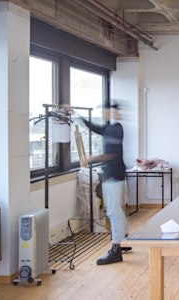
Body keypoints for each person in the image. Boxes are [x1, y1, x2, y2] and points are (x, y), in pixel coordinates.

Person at [66, 102, 129, 265]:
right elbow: (92, 127)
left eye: (106, 111)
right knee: (116, 211)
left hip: (114, 174)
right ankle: (123, 241)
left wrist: (93, 158)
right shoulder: (109, 128)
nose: (103, 114)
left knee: (113, 212)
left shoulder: (116, 128)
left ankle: (116, 249)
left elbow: (112, 155)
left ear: (112, 112)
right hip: (113, 174)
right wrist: (75, 113)